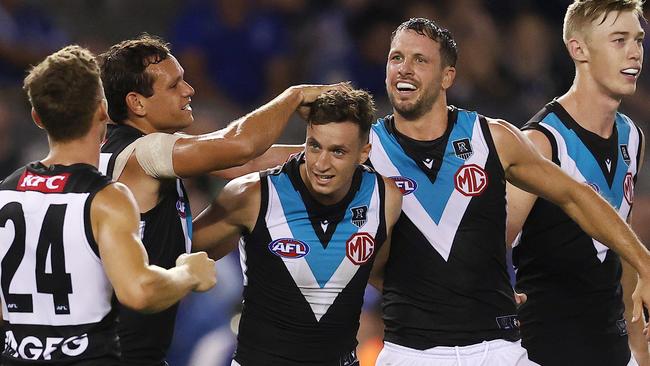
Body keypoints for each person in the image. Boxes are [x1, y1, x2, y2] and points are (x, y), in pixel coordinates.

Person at [366, 17, 650, 366]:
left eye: (419, 60)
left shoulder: (494, 138)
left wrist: (644, 262)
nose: (404, 69)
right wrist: (293, 98)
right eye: (396, 58)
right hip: (409, 352)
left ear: (447, 77)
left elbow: (576, 195)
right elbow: (280, 161)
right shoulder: (363, 151)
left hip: (498, 351)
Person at [97, 34, 345, 366]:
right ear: (137, 103)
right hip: (118, 354)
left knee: (240, 200)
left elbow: (248, 163)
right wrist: (294, 95)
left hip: (127, 349)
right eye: (174, 86)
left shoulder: (127, 152)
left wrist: (342, 154)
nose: (189, 90)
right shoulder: (141, 152)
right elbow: (240, 145)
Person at [0, 45, 216, 365]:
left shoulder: (6, 192)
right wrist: (187, 274)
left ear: (37, 118)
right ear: (103, 110)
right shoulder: (107, 198)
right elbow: (139, 291)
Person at [192, 89, 403, 365]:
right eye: (315, 146)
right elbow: (180, 249)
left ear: (364, 153)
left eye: (338, 151)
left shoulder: (384, 198)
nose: (322, 164)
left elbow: (377, 270)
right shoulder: (253, 195)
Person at [507, 1, 648, 365]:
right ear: (578, 49)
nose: (635, 52)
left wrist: (639, 348)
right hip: (547, 351)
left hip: (614, 350)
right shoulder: (540, 142)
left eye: (638, 39)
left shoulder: (632, 137)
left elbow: (622, 244)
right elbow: (488, 245)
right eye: (619, 40)